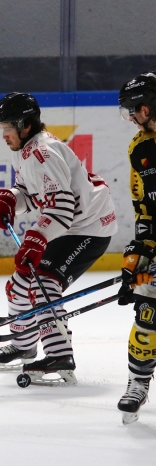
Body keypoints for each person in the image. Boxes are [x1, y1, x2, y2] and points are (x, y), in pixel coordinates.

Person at [0, 92, 118, 386]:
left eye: (7, 127)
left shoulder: (42, 152)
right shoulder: (25, 150)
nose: (3, 134)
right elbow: (34, 194)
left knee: (44, 281)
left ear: (25, 125)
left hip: (89, 228)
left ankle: (60, 355)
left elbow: (61, 206)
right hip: (68, 225)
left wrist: (36, 238)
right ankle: (24, 344)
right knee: (20, 283)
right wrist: (11, 200)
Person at [115, 72, 156, 423]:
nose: (130, 117)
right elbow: (144, 212)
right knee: (148, 312)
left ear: (146, 108)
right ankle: (137, 383)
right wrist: (135, 260)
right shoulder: (139, 149)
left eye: (132, 110)